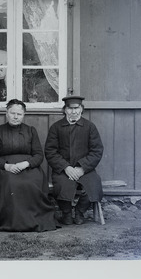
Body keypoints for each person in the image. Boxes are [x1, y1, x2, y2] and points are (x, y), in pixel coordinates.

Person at [0, 99, 58, 232]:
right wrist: (6, 166)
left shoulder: (31, 131)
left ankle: (33, 220)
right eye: (12, 113)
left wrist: (26, 163)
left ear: (24, 115)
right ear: (6, 113)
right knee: (11, 183)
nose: (15, 116)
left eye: (19, 114)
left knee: (30, 183)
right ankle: (11, 221)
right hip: (4, 169)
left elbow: (38, 155)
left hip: (28, 168)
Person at [44, 95, 104, 225]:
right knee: (62, 186)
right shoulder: (56, 127)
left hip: (85, 169)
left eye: (77, 108)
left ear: (81, 109)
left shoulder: (89, 127)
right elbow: (50, 151)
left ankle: (79, 212)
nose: (74, 112)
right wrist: (66, 168)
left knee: (93, 185)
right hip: (63, 169)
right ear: (65, 110)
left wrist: (82, 168)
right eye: (70, 109)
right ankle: (66, 213)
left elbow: (97, 150)